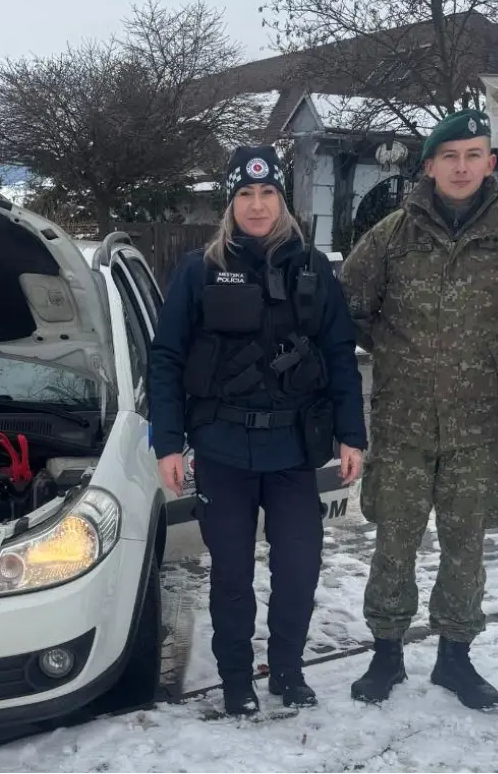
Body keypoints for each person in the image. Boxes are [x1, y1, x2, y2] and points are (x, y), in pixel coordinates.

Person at [339, 109, 498, 710]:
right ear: (430, 166)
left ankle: (455, 658)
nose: (461, 167)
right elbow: (350, 306)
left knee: (466, 547)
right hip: (402, 423)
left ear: (490, 163)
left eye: (472, 156)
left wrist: (486, 354)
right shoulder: (392, 236)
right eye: (449, 157)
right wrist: (396, 351)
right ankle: (386, 654)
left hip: (477, 426)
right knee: (394, 543)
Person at [147, 145, 368, 716]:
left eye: (268, 192)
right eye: (245, 193)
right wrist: (167, 442)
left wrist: (352, 433)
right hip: (222, 448)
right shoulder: (198, 270)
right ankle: (236, 679)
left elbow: (340, 354)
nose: (257, 204)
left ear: (282, 199)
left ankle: (288, 671)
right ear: (231, 202)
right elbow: (166, 358)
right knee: (232, 575)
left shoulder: (313, 269)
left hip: (293, 450)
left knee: (299, 569)